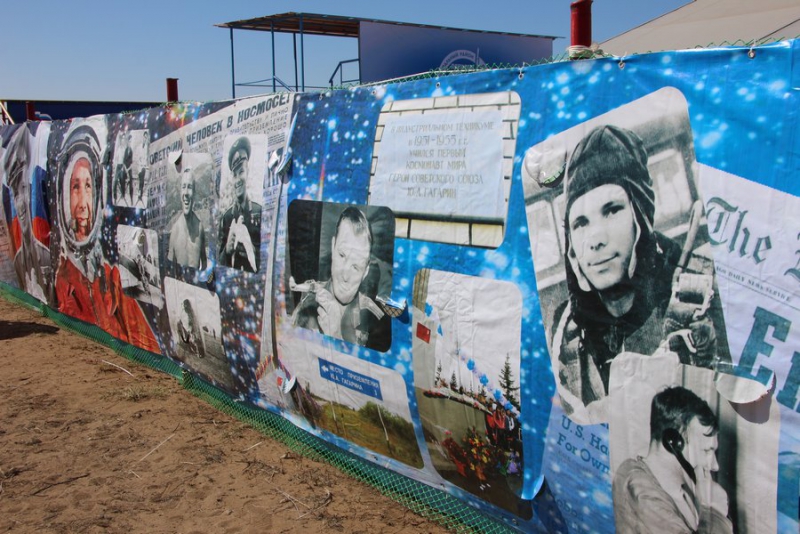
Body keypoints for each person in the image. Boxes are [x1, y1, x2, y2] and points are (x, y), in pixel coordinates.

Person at [550, 124, 725, 422]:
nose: (595, 239)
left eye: (612, 210)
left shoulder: (701, 296)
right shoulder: (563, 329)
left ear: (640, 216)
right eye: (580, 222)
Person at [54, 123, 160, 354]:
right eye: (75, 187)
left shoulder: (112, 280)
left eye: (88, 186)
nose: (83, 204)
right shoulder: (63, 280)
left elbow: (147, 340)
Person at [613, 386, 733, 533]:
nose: (715, 466)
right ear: (674, 442)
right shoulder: (639, 489)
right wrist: (714, 511)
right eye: (706, 451)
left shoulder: (683, 493)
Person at [291, 206, 388, 349]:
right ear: (333, 246)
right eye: (342, 255)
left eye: (355, 267)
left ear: (365, 272)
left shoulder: (374, 320)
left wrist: (336, 336)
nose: (345, 275)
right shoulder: (309, 301)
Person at [2, 125, 51, 302]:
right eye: (16, 191)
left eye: (23, 189)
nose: (20, 201)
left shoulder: (45, 252)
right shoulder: (15, 257)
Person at [217, 136, 261, 272]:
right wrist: (227, 250)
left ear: (247, 172)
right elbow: (219, 263)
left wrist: (252, 250)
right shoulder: (226, 218)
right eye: (234, 175)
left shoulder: (259, 212)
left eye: (241, 172)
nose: (237, 180)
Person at [167, 161, 207, 270]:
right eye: (183, 187)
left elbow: (204, 263)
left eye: (189, 187)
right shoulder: (175, 232)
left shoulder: (200, 228)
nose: (185, 193)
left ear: (194, 192)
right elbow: (170, 270)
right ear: (180, 192)